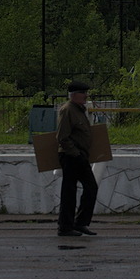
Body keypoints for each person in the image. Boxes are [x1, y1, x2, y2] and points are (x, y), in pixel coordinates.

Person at [55, 80, 99, 238]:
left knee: (91, 188)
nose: (86, 96)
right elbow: (62, 137)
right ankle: (65, 227)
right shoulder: (67, 110)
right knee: (69, 191)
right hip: (71, 156)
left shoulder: (79, 109)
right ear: (74, 95)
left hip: (80, 156)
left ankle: (80, 223)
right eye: (83, 93)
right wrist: (75, 153)